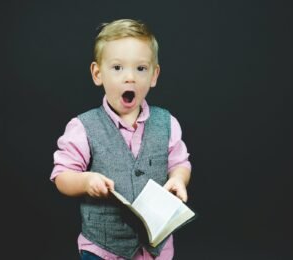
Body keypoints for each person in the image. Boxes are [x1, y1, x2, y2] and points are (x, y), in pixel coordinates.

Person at [50, 19, 192, 260]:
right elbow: (61, 176)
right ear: (97, 74)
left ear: (154, 75)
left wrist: (178, 179)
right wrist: (86, 181)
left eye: (140, 68)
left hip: (155, 249)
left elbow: (180, 163)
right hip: (103, 249)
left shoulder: (167, 123)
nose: (130, 78)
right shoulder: (83, 127)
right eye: (117, 68)